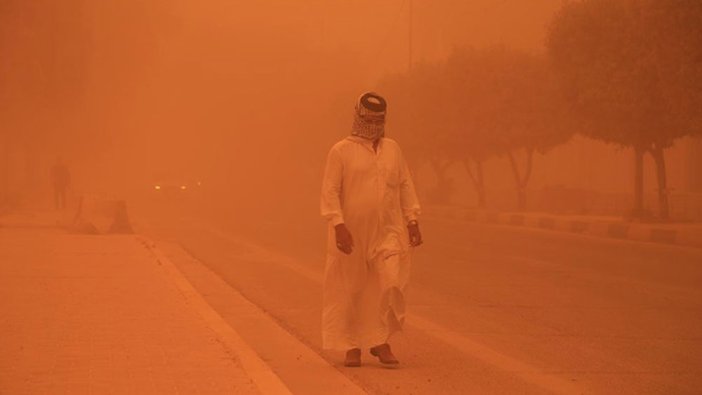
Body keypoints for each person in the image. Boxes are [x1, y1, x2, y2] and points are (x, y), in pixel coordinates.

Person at [320, 92, 423, 367]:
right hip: (351, 233)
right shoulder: (341, 151)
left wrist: (412, 219)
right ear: (358, 117)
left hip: (388, 231)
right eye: (369, 119)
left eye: (379, 120)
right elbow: (330, 191)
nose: (374, 125)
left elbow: (404, 184)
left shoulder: (392, 149)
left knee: (389, 283)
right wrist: (338, 225)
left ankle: (380, 340)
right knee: (351, 289)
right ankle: (352, 346)